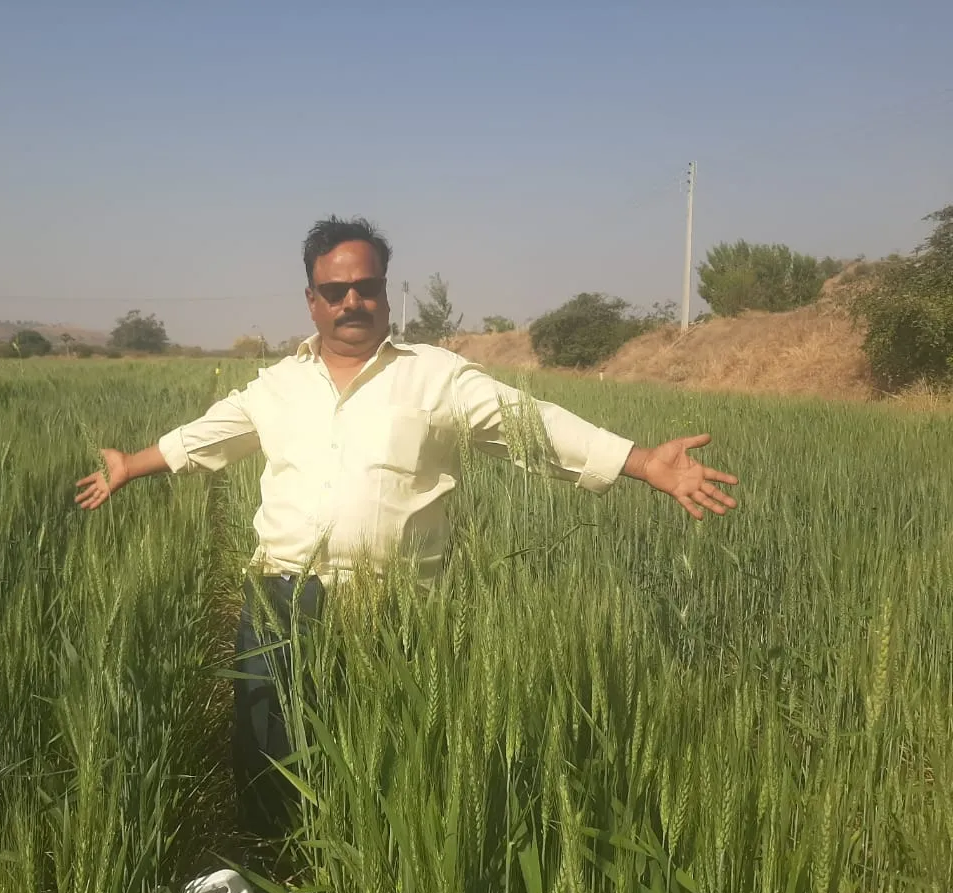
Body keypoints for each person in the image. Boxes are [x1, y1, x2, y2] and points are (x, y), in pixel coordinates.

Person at [76, 216, 739, 835]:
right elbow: (206, 437)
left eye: (366, 287)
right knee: (269, 762)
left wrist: (644, 462)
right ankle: (277, 887)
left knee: (386, 764)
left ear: (386, 294)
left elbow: (532, 425)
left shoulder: (438, 378)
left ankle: (368, 881)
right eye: (335, 290)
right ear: (311, 300)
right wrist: (129, 466)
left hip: (397, 610)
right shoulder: (275, 386)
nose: (351, 302)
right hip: (280, 603)